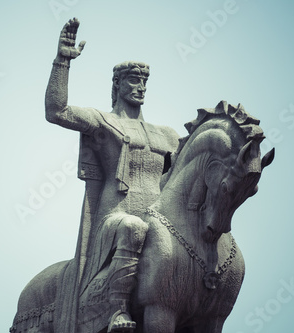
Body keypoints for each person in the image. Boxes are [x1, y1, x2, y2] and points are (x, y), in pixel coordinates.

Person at [45, 18, 179, 332]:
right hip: (116, 215)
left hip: (158, 217)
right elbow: (57, 111)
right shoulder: (103, 122)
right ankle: (117, 310)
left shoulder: (167, 135)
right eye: (133, 80)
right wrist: (62, 60)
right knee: (132, 227)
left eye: (144, 81)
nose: (141, 87)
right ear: (118, 85)